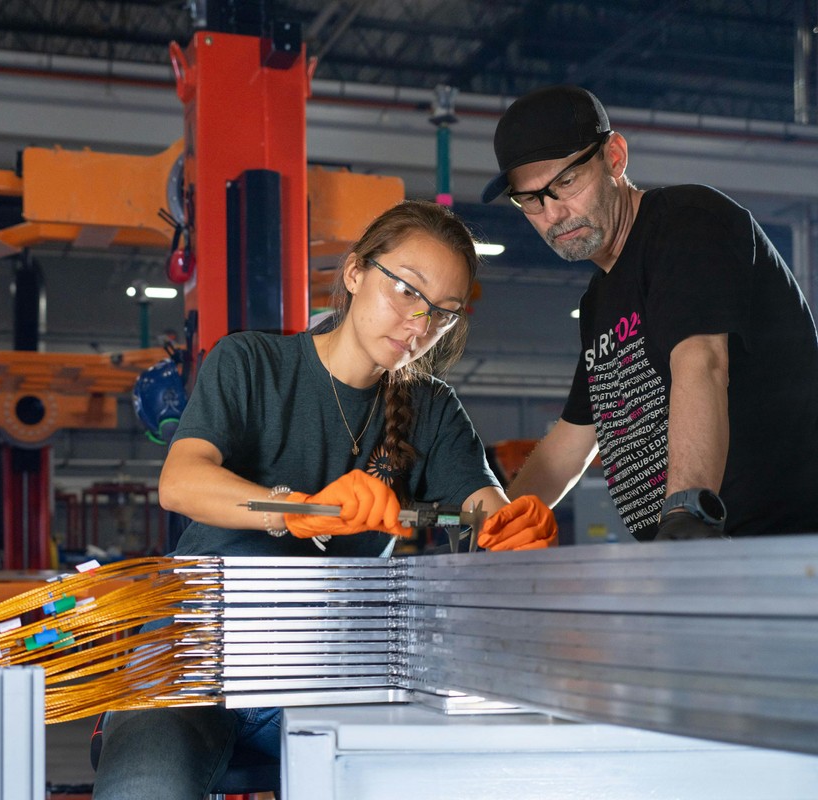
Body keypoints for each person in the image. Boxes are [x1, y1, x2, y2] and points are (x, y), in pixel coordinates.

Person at [91, 199, 558, 800]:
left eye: (442, 314)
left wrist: (509, 527)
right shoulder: (251, 363)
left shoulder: (432, 409)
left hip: (327, 663)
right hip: (197, 643)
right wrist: (300, 508)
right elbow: (181, 482)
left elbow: (481, 506)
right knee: (144, 786)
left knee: (381, 783)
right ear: (356, 272)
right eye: (408, 292)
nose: (420, 326)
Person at [482, 85, 818, 541]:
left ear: (614, 158)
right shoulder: (599, 300)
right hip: (696, 554)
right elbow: (568, 446)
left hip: (773, 544)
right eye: (531, 199)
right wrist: (500, 524)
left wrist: (686, 513)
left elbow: (702, 363)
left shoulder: (688, 223)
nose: (553, 213)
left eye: (565, 183)